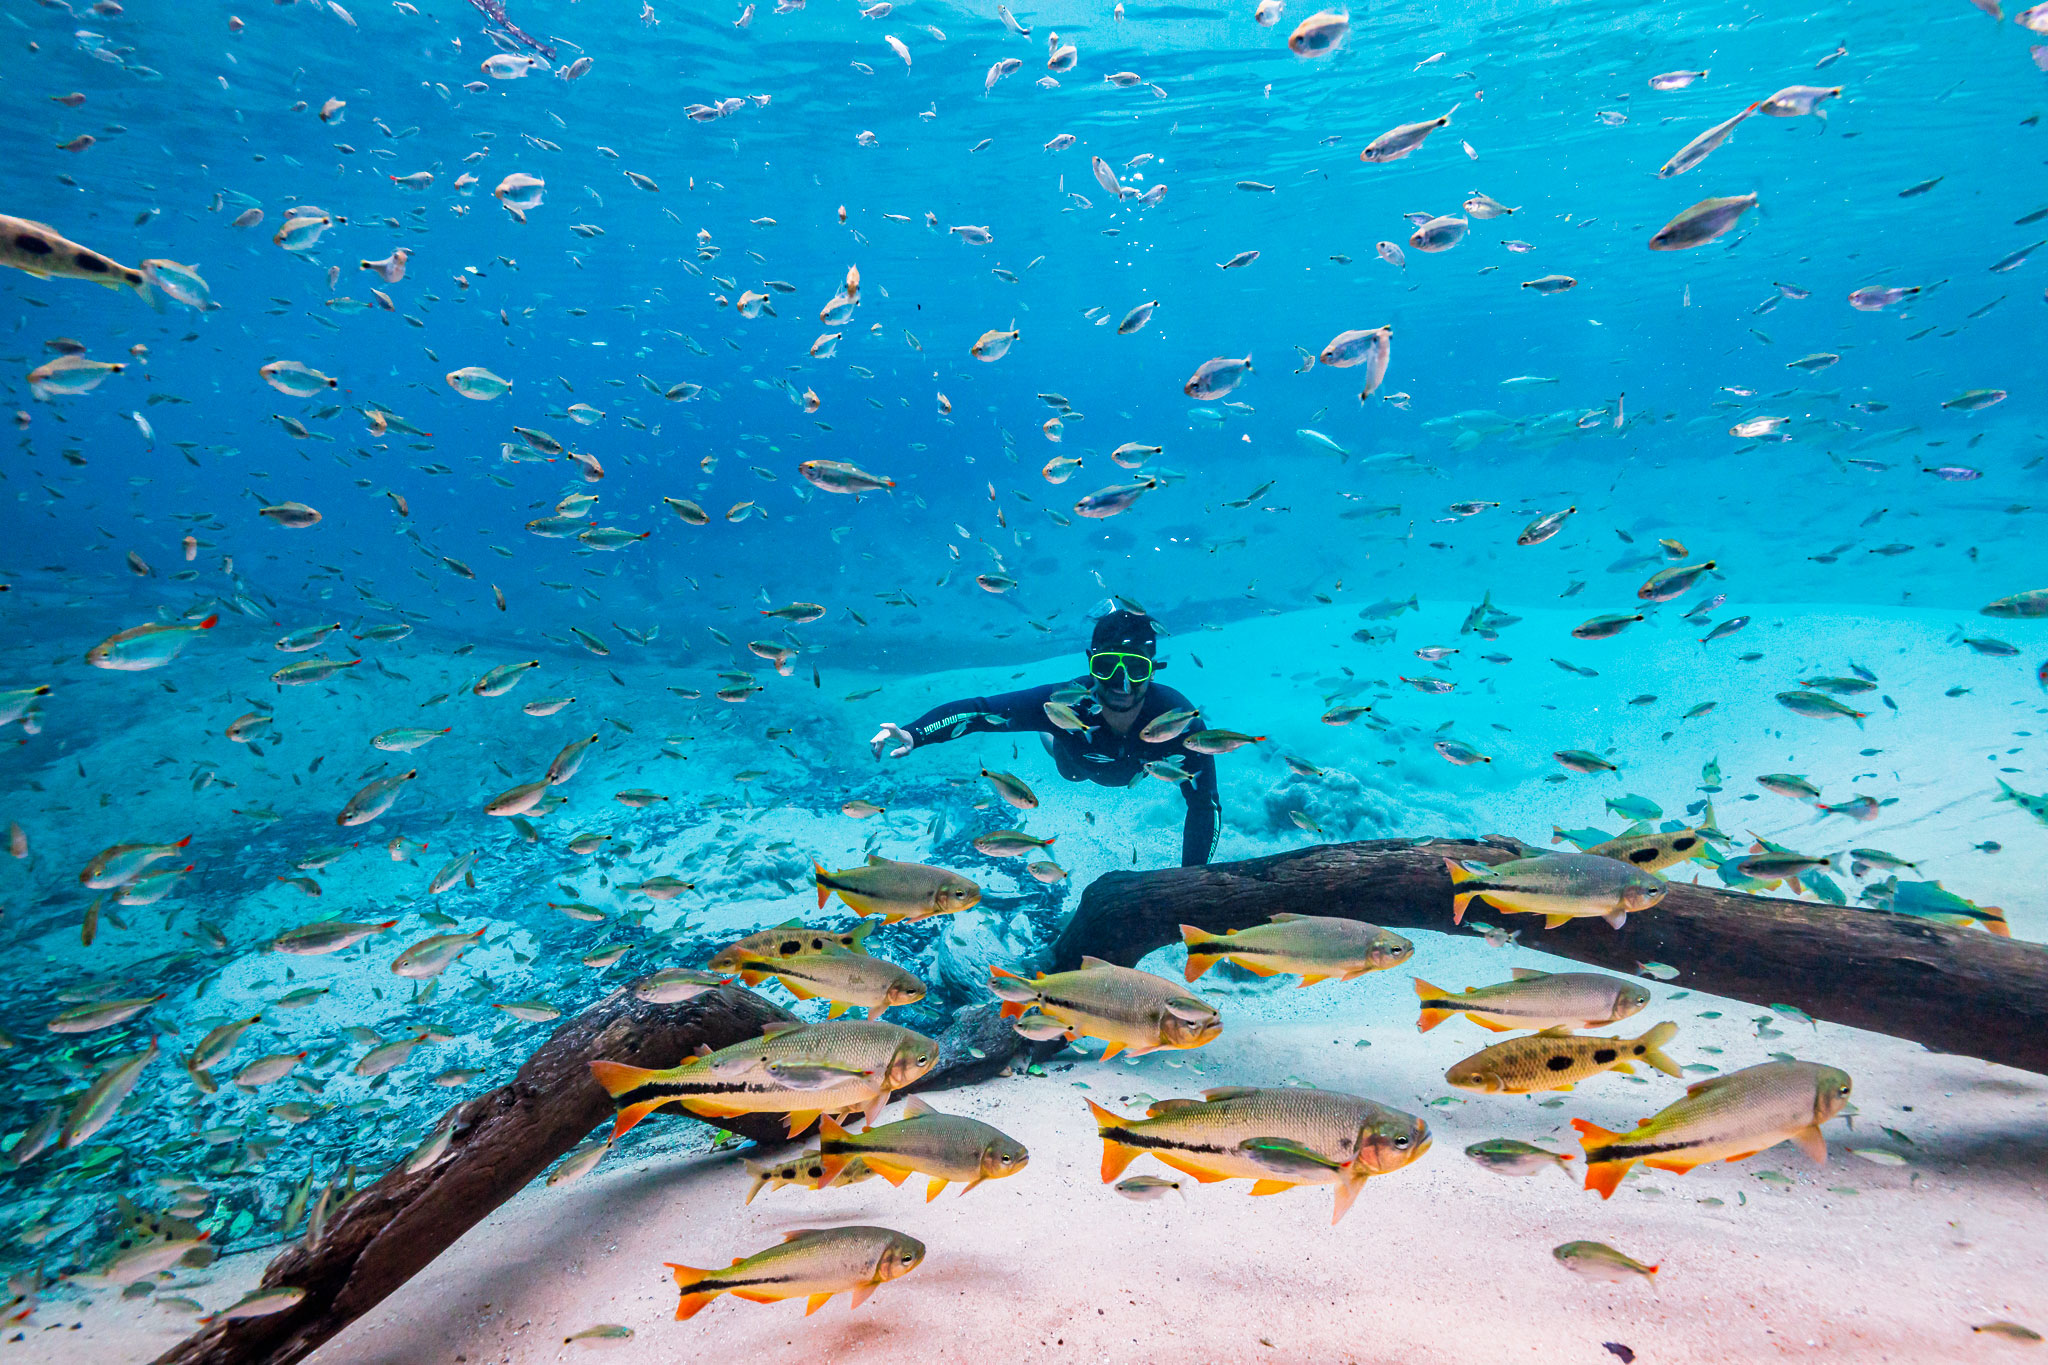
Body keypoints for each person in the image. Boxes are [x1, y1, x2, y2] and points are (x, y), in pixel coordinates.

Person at [869, 608, 1221, 866]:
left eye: (1136, 667)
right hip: (1074, 764)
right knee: (1063, 757)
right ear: (1090, 663)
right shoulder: (1064, 702)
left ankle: (1047, 728)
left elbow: (1206, 805)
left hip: (1132, 770)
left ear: (1153, 670)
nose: (1122, 682)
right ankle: (1048, 730)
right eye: (1106, 666)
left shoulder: (1180, 720)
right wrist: (916, 733)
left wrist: (1190, 880)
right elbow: (979, 710)